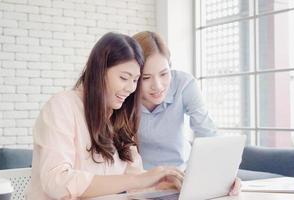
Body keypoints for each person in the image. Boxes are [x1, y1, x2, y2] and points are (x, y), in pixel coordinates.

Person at [27, 32, 183, 200]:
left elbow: (134, 180)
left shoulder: (119, 118)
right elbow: (57, 182)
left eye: (135, 80)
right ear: (99, 71)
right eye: (124, 77)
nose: (131, 88)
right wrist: (136, 180)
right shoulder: (61, 107)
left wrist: (160, 181)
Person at [133, 31, 240, 195]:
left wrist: (223, 175)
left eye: (164, 74)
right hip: (140, 183)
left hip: (180, 180)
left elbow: (207, 132)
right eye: (146, 78)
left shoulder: (184, 84)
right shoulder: (125, 94)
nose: (158, 86)